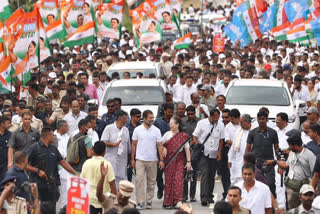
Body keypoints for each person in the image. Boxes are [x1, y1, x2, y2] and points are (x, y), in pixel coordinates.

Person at [27, 127, 78, 210]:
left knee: (51, 208)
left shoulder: (53, 148)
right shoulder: (34, 147)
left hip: (51, 185)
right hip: (38, 186)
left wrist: (74, 173)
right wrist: (38, 171)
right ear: (48, 136)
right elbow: (24, 165)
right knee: (38, 209)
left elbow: (62, 162)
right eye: (53, 135)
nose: (54, 137)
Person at [264, 129, 316, 209]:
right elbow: (286, 165)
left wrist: (313, 188)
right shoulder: (292, 153)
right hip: (291, 186)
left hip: (304, 186)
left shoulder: (309, 155)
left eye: (290, 145)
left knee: (305, 208)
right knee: (292, 208)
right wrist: (274, 161)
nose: (289, 147)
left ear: (295, 145)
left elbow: (315, 173)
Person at [131, 110, 165, 210]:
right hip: (140, 159)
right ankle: (140, 201)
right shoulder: (137, 130)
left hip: (152, 160)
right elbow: (133, 144)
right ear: (144, 118)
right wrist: (132, 159)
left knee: (151, 182)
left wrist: (161, 160)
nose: (152, 120)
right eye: (150, 118)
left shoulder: (156, 130)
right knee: (139, 180)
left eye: (152, 118)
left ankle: (149, 201)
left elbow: (160, 146)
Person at [192, 108, 224, 206]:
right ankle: (204, 197)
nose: (216, 121)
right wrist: (197, 144)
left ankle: (210, 196)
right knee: (205, 174)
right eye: (215, 119)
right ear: (210, 116)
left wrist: (219, 152)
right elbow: (195, 136)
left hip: (214, 154)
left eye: (218, 119)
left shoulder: (221, 125)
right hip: (203, 153)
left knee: (211, 175)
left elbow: (221, 140)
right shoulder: (202, 123)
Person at [246, 110, 279, 197]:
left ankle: (272, 204)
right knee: (255, 184)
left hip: (269, 162)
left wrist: (279, 162)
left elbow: (276, 148)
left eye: (263, 119)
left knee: (270, 183)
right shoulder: (252, 132)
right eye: (259, 119)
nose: (261, 121)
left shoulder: (273, 132)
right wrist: (246, 162)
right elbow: (248, 148)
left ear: (267, 119)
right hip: (256, 162)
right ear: (257, 120)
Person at [162, 116, 191, 208]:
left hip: (180, 159)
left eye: (172, 123)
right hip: (169, 160)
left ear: (177, 125)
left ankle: (178, 200)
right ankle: (168, 202)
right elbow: (159, 144)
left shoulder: (183, 136)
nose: (170, 125)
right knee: (169, 180)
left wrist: (189, 162)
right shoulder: (167, 134)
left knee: (179, 180)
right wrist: (163, 148)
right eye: (169, 124)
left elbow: (187, 149)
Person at [81, 141, 117, 214]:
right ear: (105, 152)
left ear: (93, 151)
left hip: (89, 200)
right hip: (103, 202)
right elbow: (112, 184)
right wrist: (116, 199)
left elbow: (82, 182)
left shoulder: (86, 163)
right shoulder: (107, 164)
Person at [101, 110, 131, 188]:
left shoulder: (126, 130)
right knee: (110, 178)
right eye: (125, 118)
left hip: (122, 159)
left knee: (121, 180)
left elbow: (128, 145)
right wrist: (113, 144)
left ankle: (118, 197)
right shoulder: (109, 128)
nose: (126, 120)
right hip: (110, 158)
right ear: (120, 119)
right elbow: (103, 142)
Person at [154, 103, 174, 199]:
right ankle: (160, 187)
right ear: (165, 111)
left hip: (171, 150)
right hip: (160, 149)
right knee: (158, 172)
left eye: (172, 112)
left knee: (170, 173)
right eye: (169, 112)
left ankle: (169, 192)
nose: (170, 113)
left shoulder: (175, 121)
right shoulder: (157, 122)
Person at [182, 105, 200, 202]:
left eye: (191, 114)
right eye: (188, 114)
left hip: (196, 151)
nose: (190, 116)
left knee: (194, 174)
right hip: (185, 151)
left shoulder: (199, 122)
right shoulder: (183, 121)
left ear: (195, 113)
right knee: (184, 174)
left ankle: (192, 195)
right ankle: (184, 195)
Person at [228, 114, 251, 185]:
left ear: (248, 122)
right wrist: (230, 160)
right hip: (237, 161)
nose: (240, 124)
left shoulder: (254, 131)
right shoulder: (239, 131)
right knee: (236, 182)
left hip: (250, 161)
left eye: (242, 123)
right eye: (240, 123)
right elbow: (232, 147)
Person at [54, 120, 70, 210]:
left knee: (65, 188)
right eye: (66, 126)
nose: (68, 128)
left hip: (65, 164)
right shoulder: (53, 136)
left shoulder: (68, 137)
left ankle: (63, 208)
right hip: (56, 164)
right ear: (61, 128)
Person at [0, 116, 11, 182]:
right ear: (2, 124)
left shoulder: (10, 135)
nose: (9, 125)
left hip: (6, 163)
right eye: (8, 123)